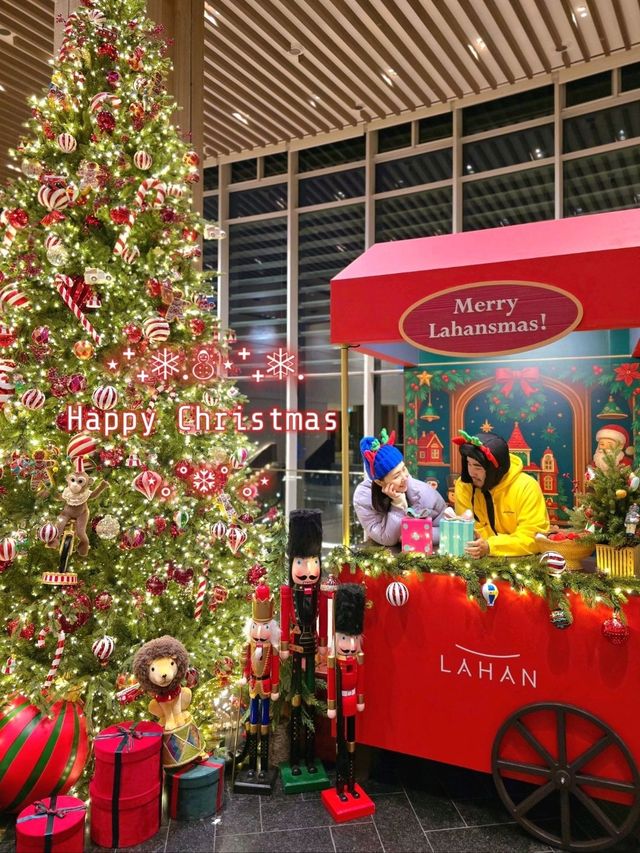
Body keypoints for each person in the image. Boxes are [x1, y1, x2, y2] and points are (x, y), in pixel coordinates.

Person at [453, 430, 549, 558]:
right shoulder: (464, 486)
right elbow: (468, 531)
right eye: (468, 464)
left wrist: (490, 546)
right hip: (476, 560)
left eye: (477, 466)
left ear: (495, 470)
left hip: (523, 562)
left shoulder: (527, 487)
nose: (471, 472)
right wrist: (481, 545)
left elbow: (534, 538)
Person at [353, 429, 446, 548]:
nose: (405, 477)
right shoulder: (363, 497)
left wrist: (414, 535)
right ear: (379, 482)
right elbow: (386, 539)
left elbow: (445, 530)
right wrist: (398, 505)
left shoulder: (424, 492)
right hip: (383, 559)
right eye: (397, 475)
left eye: (404, 469)